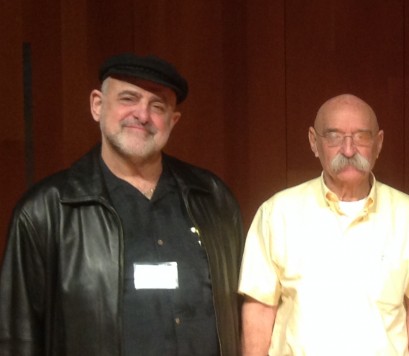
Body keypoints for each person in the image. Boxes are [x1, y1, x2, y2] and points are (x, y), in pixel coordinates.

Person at [0, 53, 244, 355]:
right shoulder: (46, 211)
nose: (142, 115)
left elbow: (243, 314)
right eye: (129, 98)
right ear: (97, 105)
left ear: (173, 121)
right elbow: (17, 337)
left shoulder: (213, 198)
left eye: (158, 106)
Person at [238, 94, 409, 355]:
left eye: (361, 136)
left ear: (378, 143)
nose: (348, 150)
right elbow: (258, 312)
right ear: (314, 142)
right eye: (334, 137)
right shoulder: (277, 214)